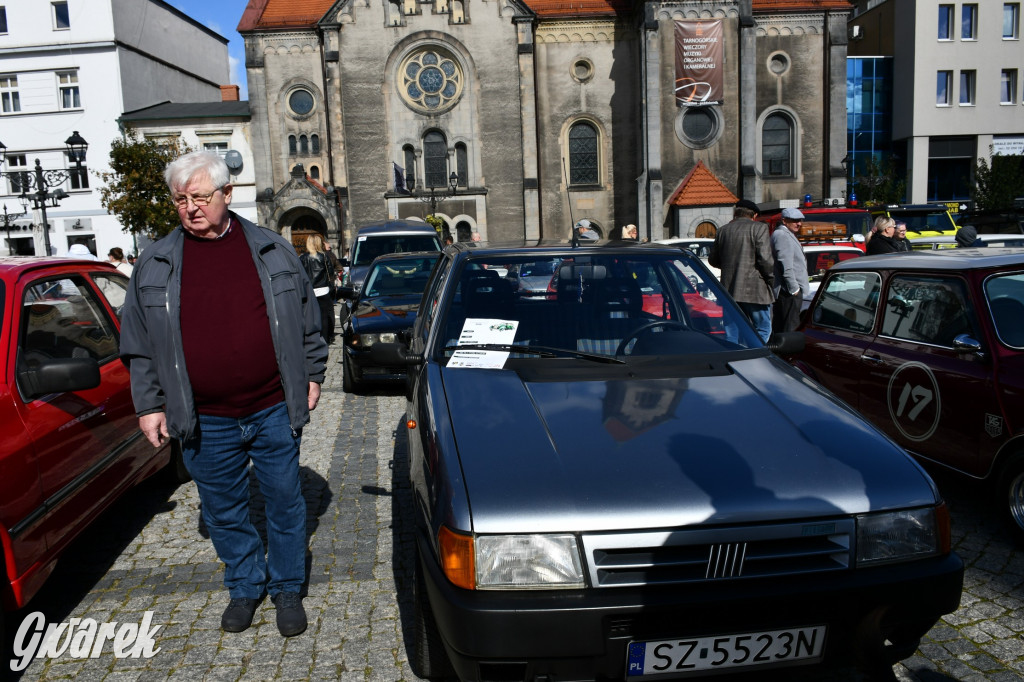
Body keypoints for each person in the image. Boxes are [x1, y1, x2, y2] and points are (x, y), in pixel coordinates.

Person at [119, 150, 328, 638]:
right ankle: (244, 585)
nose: (190, 207)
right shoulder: (154, 262)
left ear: (227, 195)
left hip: (273, 405)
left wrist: (313, 373)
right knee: (223, 510)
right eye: (180, 199)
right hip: (203, 416)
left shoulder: (273, 249)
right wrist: (149, 404)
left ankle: (287, 587)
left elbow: (306, 324)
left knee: (284, 501)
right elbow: (140, 344)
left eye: (199, 196)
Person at [708, 199, 775, 343]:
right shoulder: (759, 228)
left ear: (736, 213)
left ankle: (734, 359)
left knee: (732, 332)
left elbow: (713, 260)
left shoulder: (723, 230)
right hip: (755, 289)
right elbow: (765, 260)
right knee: (763, 328)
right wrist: (771, 279)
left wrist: (730, 266)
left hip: (729, 289)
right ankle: (755, 356)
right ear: (754, 215)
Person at [770, 207, 810, 333]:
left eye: (800, 220)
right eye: (795, 220)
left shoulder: (786, 234)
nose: (799, 223)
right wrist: (794, 289)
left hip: (788, 291)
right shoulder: (782, 235)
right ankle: (787, 352)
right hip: (788, 292)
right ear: (784, 221)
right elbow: (785, 264)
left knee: (784, 326)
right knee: (790, 328)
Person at [300, 234, 337, 345]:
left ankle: (312, 338)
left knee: (310, 316)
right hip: (323, 289)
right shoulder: (324, 256)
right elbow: (330, 272)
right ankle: (325, 339)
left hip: (310, 290)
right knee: (324, 316)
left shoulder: (302, 258)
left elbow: (301, 275)